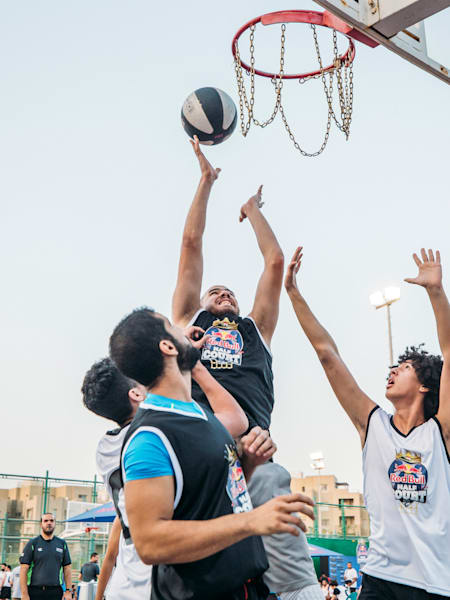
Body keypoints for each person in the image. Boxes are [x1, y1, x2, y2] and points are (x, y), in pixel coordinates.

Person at [171, 136, 321, 599]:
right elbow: (192, 242)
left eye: (229, 293)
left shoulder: (257, 329)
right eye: (215, 291)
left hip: (254, 448)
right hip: (199, 443)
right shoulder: (186, 320)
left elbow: (274, 262)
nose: (223, 295)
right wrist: (206, 182)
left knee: (275, 489)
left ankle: (299, 591)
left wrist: (252, 209)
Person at [109, 307, 316, 600]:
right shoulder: (149, 438)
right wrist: (251, 521)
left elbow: (213, 494)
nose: (188, 330)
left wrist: (247, 462)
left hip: (244, 586)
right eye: (173, 327)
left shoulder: (197, 413)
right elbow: (150, 543)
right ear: (168, 346)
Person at [285, 247, 450, 599]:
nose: (391, 372)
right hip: (379, 577)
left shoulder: (440, 431)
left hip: (434, 583)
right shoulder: (374, 424)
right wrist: (294, 294)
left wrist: (436, 292)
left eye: (403, 368)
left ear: (424, 385)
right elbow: (327, 354)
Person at [82, 326, 251, 600]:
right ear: (136, 394)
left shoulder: (106, 447)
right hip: (160, 582)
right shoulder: (161, 434)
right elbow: (236, 419)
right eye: (142, 379)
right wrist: (190, 364)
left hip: (125, 582)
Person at [20, 513, 72, 600]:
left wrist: (68, 591)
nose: (49, 523)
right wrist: (24, 594)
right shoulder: (33, 543)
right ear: (41, 524)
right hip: (35, 591)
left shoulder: (62, 543)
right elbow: (23, 569)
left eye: (52, 521)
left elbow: (67, 568)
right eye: (46, 521)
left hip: (55, 592)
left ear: (55, 523)